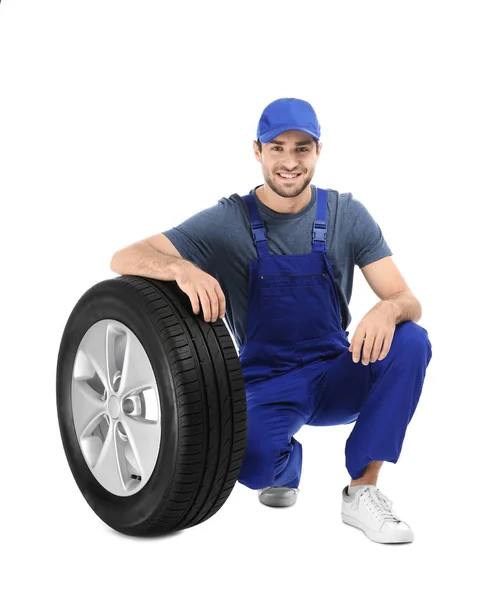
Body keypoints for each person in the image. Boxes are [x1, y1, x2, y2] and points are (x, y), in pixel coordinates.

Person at [110, 97, 433, 544]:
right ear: (257, 151)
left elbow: (406, 298)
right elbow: (124, 257)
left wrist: (388, 307)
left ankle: (363, 490)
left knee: (412, 340)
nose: (289, 161)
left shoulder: (346, 215)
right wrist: (182, 268)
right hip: (265, 382)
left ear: (318, 152)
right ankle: (283, 464)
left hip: (337, 372)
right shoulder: (229, 220)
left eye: (301, 148)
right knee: (248, 463)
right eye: (277, 147)